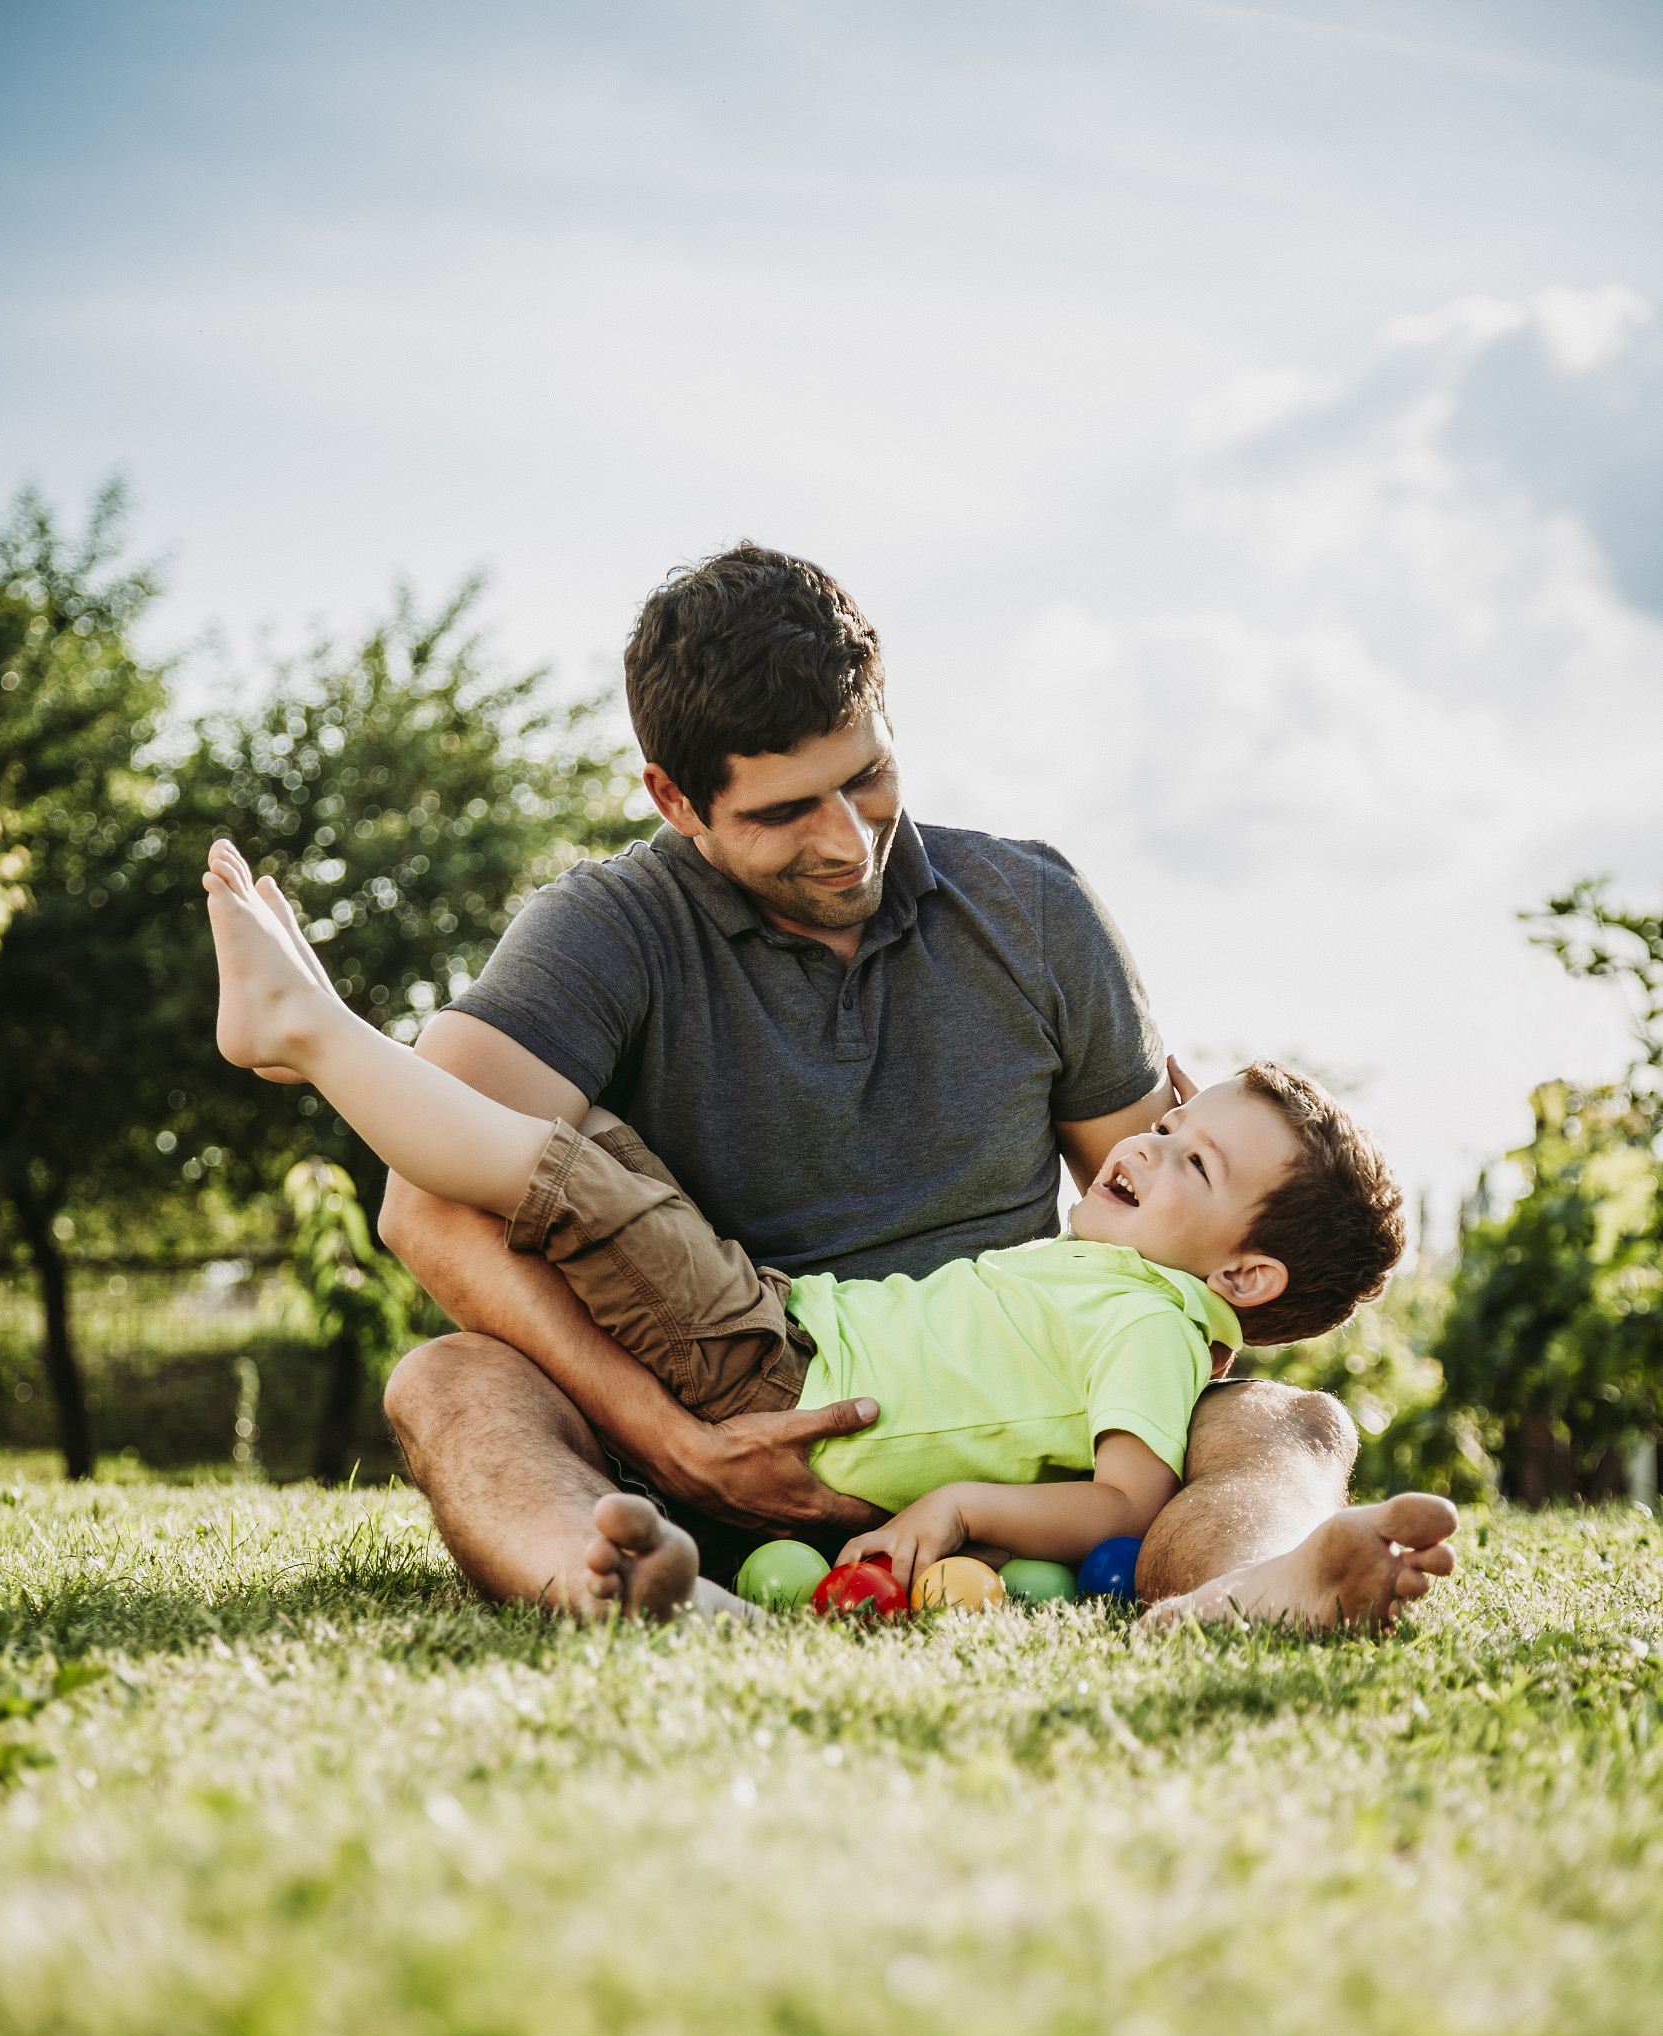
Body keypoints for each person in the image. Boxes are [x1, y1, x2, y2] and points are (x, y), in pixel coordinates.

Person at [226, 542, 1458, 1633]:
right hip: (709, 1415)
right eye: (784, 809)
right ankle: (646, 1586)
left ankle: (1246, 1594)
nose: (847, 839)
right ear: (675, 798)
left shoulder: (1033, 912)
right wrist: (673, 1439)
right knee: (448, 1381)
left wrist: (997, 1485)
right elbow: (427, 1205)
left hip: (997, 1458)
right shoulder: (604, 927)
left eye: (865, 776)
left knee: (1278, 1418)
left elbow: (1169, 1253)